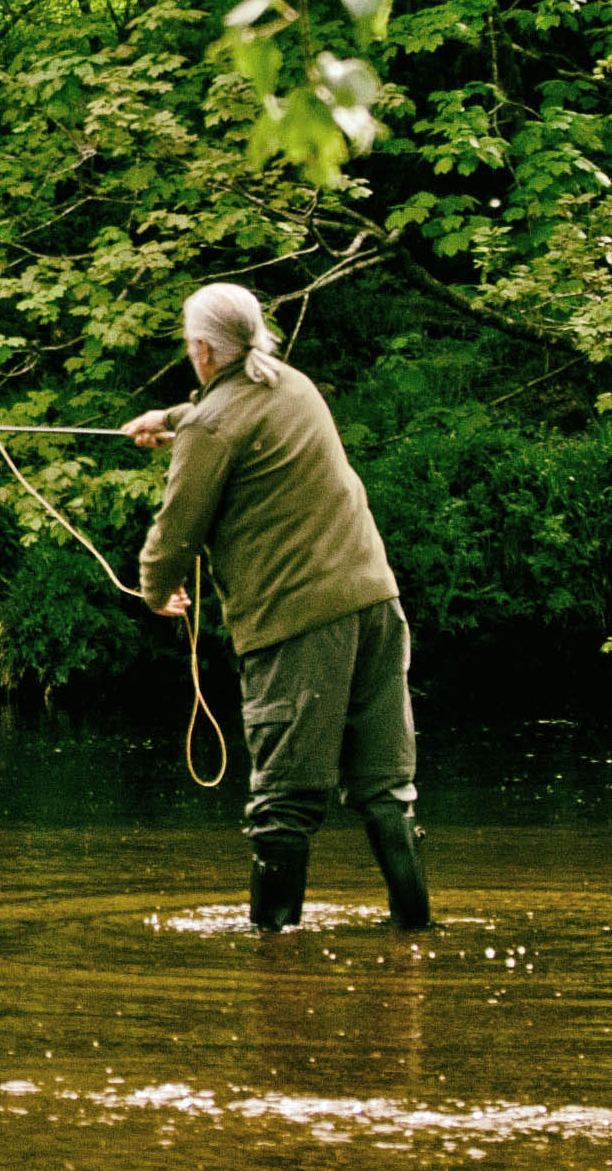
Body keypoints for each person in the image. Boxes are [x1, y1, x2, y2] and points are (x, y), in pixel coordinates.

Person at [122, 283, 431, 933]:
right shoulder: (292, 384)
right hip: (376, 604)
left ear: (203, 348)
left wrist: (153, 591)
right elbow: (225, 414)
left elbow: (175, 531)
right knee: (385, 790)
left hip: (299, 626)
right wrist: (170, 418)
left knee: (282, 805)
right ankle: (415, 935)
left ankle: (277, 963)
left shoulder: (212, 424)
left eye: (189, 344)